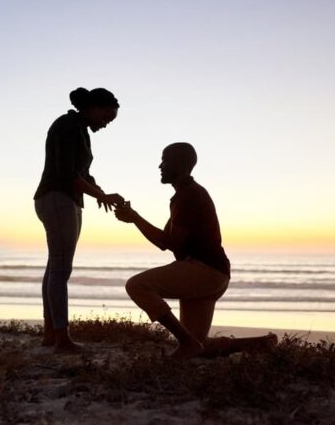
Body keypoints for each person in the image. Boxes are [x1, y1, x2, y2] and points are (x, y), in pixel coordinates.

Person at [114, 143, 276, 359]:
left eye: (165, 160)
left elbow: (170, 243)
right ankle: (259, 344)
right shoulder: (186, 194)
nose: (160, 166)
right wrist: (134, 218)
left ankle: (186, 341)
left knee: (136, 285)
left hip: (203, 271)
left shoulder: (189, 196)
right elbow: (165, 241)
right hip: (215, 275)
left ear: (179, 164)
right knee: (200, 346)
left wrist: (134, 218)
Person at [34, 87, 124, 353]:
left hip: (67, 200)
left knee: (55, 267)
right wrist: (100, 195)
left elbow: (83, 173)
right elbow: (66, 173)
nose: (106, 124)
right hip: (56, 198)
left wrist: (102, 192)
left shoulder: (80, 130)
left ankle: (51, 333)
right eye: (106, 117)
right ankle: (61, 337)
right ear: (93, 107)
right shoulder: (66, 125)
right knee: (61, 270)